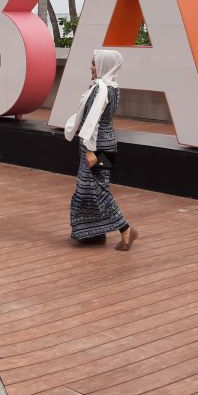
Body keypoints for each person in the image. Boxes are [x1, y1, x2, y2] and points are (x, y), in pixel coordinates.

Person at [64, 50, 138, 251]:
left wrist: (89, 149)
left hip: (96, 146)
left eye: (94, 63)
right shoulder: (113, 87)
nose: (91, 67)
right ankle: (94, 233)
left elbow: (92, 122)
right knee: (92, 188)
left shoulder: (101, 89)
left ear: (104, 66)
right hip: (108, 144)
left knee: (95, 189)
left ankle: (125, 229)